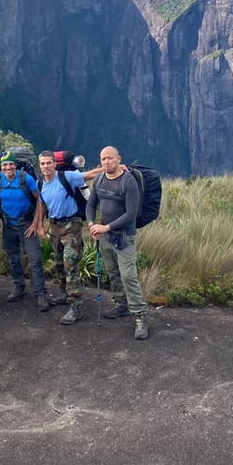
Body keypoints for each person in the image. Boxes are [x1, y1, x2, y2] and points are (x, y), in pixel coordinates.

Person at [87, 145, 150, 340]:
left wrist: (106, 227)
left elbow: (131, 214)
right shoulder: (99, 180)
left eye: (110, 158)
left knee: (128, 276)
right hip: (106, 237)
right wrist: (91, 224)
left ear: (119, 159)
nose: (106, 162)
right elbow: (91, 204)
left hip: (124, 237)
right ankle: (121, 304)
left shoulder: (128, 181)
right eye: (103, 159)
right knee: (113, 273)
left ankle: (140, 316)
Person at [37, 151, 102, 325]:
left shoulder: (67, 176)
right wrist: (40, 225)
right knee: (58, 265)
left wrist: (111, 168)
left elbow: (90, 174)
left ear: (54, 164)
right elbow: (42, 203)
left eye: (48, 163)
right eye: (42, 164)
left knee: (70, 266)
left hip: (71, 227)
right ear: (39, 165)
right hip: (53, 227)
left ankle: (77, 307)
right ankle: (64, 295)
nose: (46, 167)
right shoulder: (40, 182)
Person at [0, 151, 48, 312]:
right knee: (13, 257)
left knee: (35, 259)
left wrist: (35, 224)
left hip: (26, 223)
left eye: (10, 164)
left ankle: (40, 293)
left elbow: (39, 200)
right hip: (9, 224)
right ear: (1, 167)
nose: (8, 167)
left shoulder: (25, 179)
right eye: (4, 165)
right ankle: (19, 286)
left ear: (15, 165)